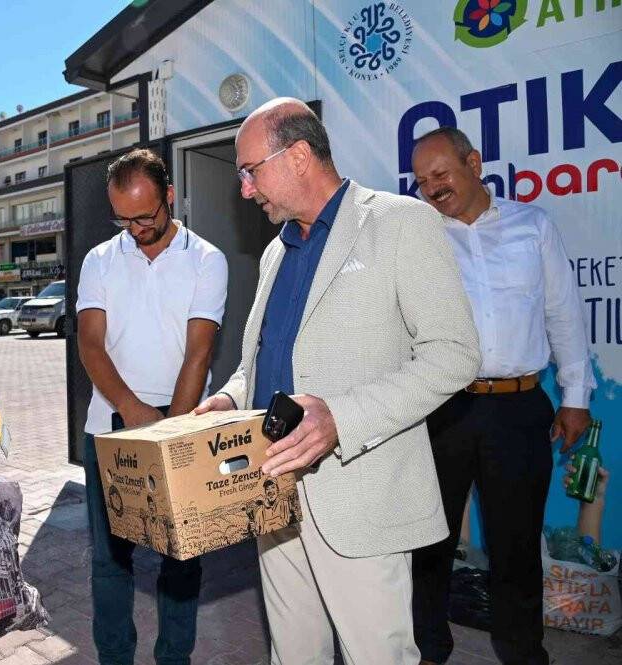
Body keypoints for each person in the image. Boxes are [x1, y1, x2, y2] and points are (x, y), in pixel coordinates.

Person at [193, 98, 480, 664]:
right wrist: (229, 394)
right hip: (274, 493)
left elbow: (455, 355)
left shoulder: (400, 223)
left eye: (251, 171)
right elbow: (261, 356)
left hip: (361, 500)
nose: (245, 190)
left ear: (298, 156)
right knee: (294, 655)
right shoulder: (277, 251)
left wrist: (340, 420)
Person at [410, 126, 595, 665]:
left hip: (518, 409)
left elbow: (563, 313)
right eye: (423, 181)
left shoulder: (531, 225)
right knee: (430, 541)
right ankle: (427, 649)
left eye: (442, 174)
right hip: (441, 408)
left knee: (516, 546)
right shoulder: (419, 236)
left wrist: (576, 397)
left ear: (474, 162)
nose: (433, 188)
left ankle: (523, 652)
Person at [77, 148, 228, 665]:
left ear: (169, 196)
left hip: (182, 419)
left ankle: (174, 659)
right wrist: (135, 412)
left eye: (145, 216)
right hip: (112, 427)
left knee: (182, 556)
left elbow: (199, 351)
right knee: (110, 561)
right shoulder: (100, 260)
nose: (136, 229)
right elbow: (90, 346)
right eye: (123, 218)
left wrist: (173, 431)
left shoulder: (207, 259)